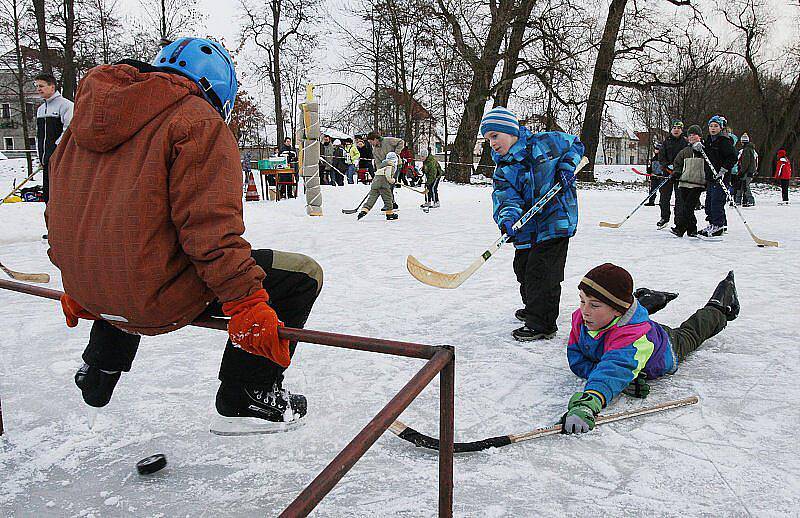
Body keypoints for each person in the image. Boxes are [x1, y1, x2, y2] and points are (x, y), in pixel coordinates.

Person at [46, 37, 323, 435]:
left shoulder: (82, 124)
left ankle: (100, 367)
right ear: (218, 88)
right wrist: (246, 301)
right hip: (151, 297)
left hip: (87, 292)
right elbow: (209, 231)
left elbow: (60, 211)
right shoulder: (197, 121)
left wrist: (75, 277)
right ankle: (247, 390)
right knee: (302, 274)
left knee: (129, 250)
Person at [561, 263, 738, 434]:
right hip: (632, 328)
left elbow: (614, 369)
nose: (585, 310)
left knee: (691, 333)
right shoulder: (583, 318)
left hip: (665, 346)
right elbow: (577, 359)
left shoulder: (635, 338)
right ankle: (646, 300)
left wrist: (589, 402)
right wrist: (621, 382)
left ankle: (719, 306)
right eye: (582, 301)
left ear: (618, 310)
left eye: (594, 305)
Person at [483, 107, 584, 342]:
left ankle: (542, 322)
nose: (492, 143)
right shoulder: (504, 169)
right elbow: (507, 197)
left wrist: (566, 167)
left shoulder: (546, 142)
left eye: (495, 136)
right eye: (488, 139)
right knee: (523, 267)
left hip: (555, 220)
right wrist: (508, 218)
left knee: (543, 271)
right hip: (527, 227)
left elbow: (576, 145)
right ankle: (533, 308)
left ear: (511, 131)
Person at [34, 72, 74, 239]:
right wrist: (41, 156)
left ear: (52, 86)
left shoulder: (65, 105)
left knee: (61, 196)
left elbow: (68, 131)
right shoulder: (40, 109)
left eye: (41, 86)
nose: (39, 89)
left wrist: (55, 151)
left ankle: (66, 229)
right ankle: (52, 229)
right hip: (46, 161)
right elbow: (39, 136)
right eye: (37, 86)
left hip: (60, 160)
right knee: (48, 196)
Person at [697, 115, 737, 238]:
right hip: (710, 177)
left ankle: (718, 225)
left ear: (721, 127)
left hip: (720, 177)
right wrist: (698, 149)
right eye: (711, 126)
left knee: (716, 202)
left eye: (716, 126)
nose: (713, 128)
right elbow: (704, 156)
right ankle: (714, 223)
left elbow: (732, 157)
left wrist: (724, 170)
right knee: (708, 202)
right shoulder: (708, 141)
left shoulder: (724, 141)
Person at [670, 125, 706, 238]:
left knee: (688, 207)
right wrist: (676, 172)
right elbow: (677, 163)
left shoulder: (704, 150)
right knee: (686, 207)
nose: (691, 137)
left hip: (698, 183)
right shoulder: (685, 151)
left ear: (699, 136)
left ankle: (680, 229)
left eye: (694, 135)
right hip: (684, 182)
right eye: (689, 135)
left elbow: (710, 163)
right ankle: (692, 229)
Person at [656, 119, 689, 228]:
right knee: (664, 197)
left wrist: (678, 168)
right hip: (667, 174)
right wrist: (666, 166)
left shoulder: (685, 142)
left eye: (678, 128)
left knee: (680, 199)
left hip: (680, 174)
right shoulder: (666, 142)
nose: (676, 130)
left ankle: (678, 221)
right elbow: (661, 156)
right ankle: (664, 218)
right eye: (674, 128)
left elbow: (687, 158)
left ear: (682, 130)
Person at [356, 152, 399, 221]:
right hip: (383, 184)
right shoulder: (390, 165)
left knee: (372, 198)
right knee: (388, 198)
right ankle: (389, 213)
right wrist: (393, 180)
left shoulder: (382, 165)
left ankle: (364, 210)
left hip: (375, 183)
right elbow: (388, 176)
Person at [736, 133, 757, 207]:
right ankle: (738, 200)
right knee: (742, 185)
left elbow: (746, 162)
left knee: (745, 186)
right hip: (749, 171)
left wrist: (742, 171)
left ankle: (750, 200)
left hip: (748, 171)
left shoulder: (746, 150)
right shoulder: (751, 149)